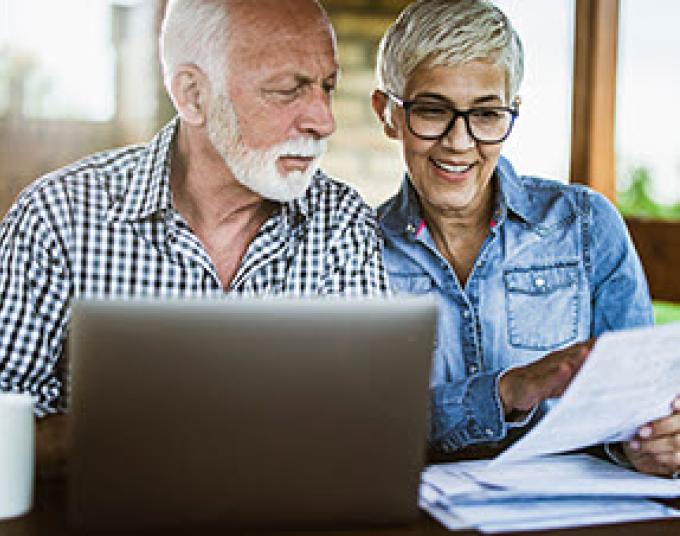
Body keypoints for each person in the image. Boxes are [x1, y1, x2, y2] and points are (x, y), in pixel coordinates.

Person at [0, 0, 388, 474]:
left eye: (328, 87)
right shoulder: (54, 217)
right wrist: (150, 434)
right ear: (193, 95)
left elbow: (365, 424)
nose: (323, 120)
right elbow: (7, 418)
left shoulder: (342, 221)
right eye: (288, 90)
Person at [373, 0, 679, 476]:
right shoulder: (354, 250)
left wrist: (647, 442)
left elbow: (637, 403)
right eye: (432, 111)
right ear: (388, 113)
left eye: (487, 114)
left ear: (512, 113)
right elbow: (370, 426)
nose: (459, 141)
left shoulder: (585, 225)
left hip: (570, 513)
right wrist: (507, 391)